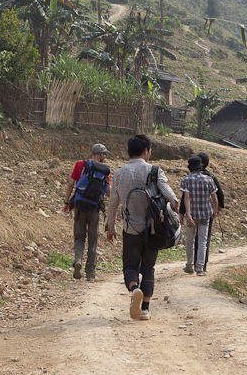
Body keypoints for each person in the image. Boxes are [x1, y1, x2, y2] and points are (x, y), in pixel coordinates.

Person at [106, 134, 178, 321]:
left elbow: (113, 203)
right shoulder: (155, 170)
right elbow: (169, 196)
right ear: (146, 151)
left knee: (130, 265)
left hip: (130, 228)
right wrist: (175, 209)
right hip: (153, 229)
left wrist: (110, 226)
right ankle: (145, 309)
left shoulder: (120, 173)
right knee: (148, 267)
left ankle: (134, 288)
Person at [63, 143, 110, 281]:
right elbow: (108, 192)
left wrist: (67, 203)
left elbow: (71, 184)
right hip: (94, 208)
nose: (105, 156)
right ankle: (90, 273)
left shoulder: (79, 164)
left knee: (79, 237)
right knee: (93, 239)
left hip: (79, 206)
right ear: (101, 155)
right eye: (104, 154)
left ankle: (78, 260)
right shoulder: (103, 170)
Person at [181, 151, 226, 270]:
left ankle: (191, 263)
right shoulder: (210, 177)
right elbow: (219, 195)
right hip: (207, 213)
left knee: (191, 239)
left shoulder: (187, 179)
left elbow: (184, 198)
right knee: (204, 239)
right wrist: (217, 209)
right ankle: (202, 265)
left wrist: (183, 213)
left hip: (192, 213)